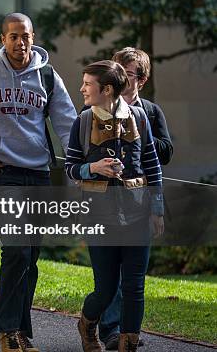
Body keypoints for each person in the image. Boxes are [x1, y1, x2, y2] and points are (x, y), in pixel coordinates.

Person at [0, 12, 77, 352]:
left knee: (31, 255)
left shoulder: (49, 77)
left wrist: (75, 166)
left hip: (39, 174)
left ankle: (22, 332)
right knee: (17, 250)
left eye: (24, 35)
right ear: (2, 39)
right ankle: (7, 330)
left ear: (32, 37)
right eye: (12, 36)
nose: (19, 42)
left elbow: (67, 123)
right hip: (3, 174)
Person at [65, 60, 164, 352]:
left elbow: (152, 165)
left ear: (106, 89)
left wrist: (157, 209)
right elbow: (71, 168)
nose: (82, 88)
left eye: (87, 83)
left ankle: (128, 345)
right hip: (100, 217)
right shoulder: (82, 122)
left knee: (134, 286)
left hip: (137, 214)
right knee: (106, 290)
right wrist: (93, 167)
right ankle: (87, 323)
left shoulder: (140, 118)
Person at [97, 48, 173, 350]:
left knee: (133, 275)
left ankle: (128, 333)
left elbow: (165, 153)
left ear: (141, 79)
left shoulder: (151, 113)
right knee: (108, 274)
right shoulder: (100, 108)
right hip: (105, 203)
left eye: (128, 74)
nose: (121, 79)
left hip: (139, 204)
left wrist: (138, 129)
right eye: (118, 72)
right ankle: (109, 330)